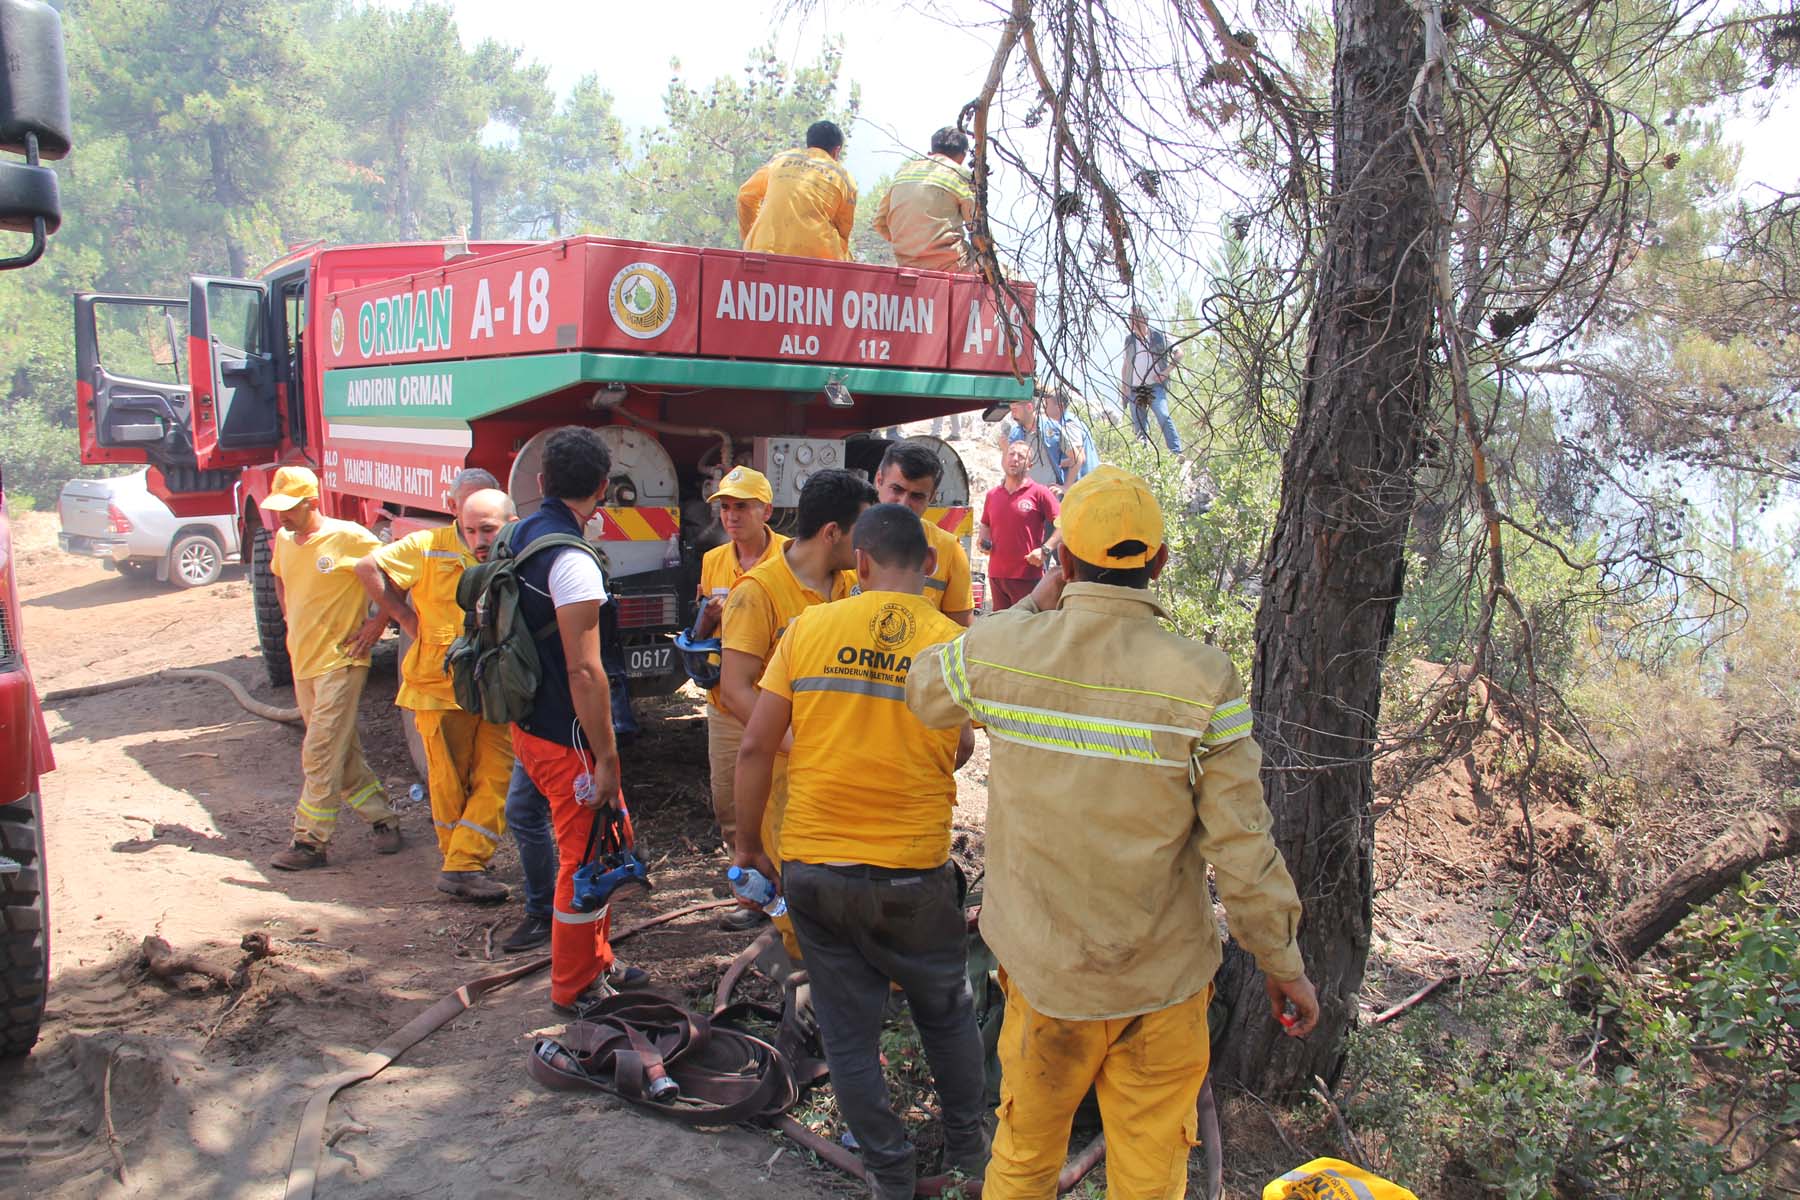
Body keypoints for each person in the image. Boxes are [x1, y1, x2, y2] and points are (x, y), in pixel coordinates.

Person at [906, 466, 1321, 1200]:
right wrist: (1281, 961)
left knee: (1025, 1162)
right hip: (1159, 987)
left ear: (1062, 562)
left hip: (1045, 981)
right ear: (1160, 563)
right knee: (1150, 1175)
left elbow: (924, 690)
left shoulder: (1006, 653)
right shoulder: (1205, 680)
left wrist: (1032, 606)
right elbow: (1243, 846)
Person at [734, 505, 986, 1199]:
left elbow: (756, 744)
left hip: (816, 868)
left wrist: (749, 843)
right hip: (912, 871)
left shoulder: (809, 628)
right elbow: (965, 745)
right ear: (930, 567)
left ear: (862, 563)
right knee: (946, 1012)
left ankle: (887, 1171)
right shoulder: (951, 644)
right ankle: (969, 1152)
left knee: (848, 1032)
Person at [505, 427, 647, 1013]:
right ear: (603, 489)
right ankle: (573, 988)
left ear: (541, 484)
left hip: (529, 724)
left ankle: (597, 961)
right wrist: (608, 759)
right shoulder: (572, 562)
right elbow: (586, 672)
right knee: (584, 859)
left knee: (609, 840)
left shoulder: (520, 537)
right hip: (568, 738)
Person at [718, 468, 876, 955]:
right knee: (795, 884)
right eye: (862, 532)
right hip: (787, 773)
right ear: (832, 533)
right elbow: (736, 688)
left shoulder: (852, 584)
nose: (869, 545)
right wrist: (796, 747)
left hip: (837, 770)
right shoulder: (757, 592)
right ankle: (804, 982)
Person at [356, 480, 515, 902]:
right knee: (449, 782)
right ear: (455, 511)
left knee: (499, 773)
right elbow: (366, 567)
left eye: (487, 527)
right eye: (470, 524)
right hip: (437, 687)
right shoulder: (428, 545)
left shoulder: (508, 550)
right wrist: (405, 620)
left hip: (493, 685)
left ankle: (464, 862)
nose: (478, 536)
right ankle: (462, 863)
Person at [261, 466, 403, 870]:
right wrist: (289, 616)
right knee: (339, 749)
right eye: (279, 509)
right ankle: (382, 818)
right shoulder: (285, 541)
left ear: (312, 502)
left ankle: (309, 842)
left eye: (290, 509)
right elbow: (280, 579)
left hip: (343, 659)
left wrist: (378, 623)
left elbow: (396, 575)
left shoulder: (351, 537)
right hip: (303, 661)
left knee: (320, 749)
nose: (282, 517)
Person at [693, 465, 788, 930]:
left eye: (742, 507)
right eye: (725, 507)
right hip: (728, 704)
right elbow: (699, 635)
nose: (731, 516)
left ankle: (790, 896)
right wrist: (707, 620)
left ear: (766, 510)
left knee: (781, 799)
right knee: (730, 801)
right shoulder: (713, 561)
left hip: (779, 701)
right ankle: (753, 896)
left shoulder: (791, 558)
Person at [874, 440, 974, 627]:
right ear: (879, 480)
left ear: (933, 496)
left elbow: (961, 633)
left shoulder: (949, 549)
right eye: (897, 490)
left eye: (917, 496)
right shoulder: (846, 540)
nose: (904, 503)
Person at [737, 120, 857, 261]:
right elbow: (843, 232)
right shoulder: (844, 178)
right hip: (816, 257)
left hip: (763, 249)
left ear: (809, 143)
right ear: (837, 151)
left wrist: (752, 237)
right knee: (848, 256)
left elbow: (745, 196)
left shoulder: (781, 160)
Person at [873, 126, 977, 272]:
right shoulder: (960, 174)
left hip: (906, 263)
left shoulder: (904, 171)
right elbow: (978, 229)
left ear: (931, 151)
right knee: (997, 270)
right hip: (950, 265)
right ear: (963, 156)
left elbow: (879, 222)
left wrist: (912, 246)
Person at [978, 442, 1060, 611]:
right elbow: (986, 523)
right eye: (1011, 454)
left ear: (1029, 465)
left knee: (1027, 628)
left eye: (1021, 456)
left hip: (1027, 576)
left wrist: (1045, 550)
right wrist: (983, 540)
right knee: (1002, 628)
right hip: (996, 576)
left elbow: (1064, 524)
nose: (1014, 459)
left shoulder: (1040, 492)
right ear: (1004, 459)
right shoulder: (992, 495)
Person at [1121, 306, 1183, 454]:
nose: (1132, 323)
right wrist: (1124, 387)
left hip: (1154, 386)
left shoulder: (1159, 336)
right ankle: (1144, 456)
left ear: (1145, 319)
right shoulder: (1130, 340)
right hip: (1138, 388)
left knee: (1163, 416)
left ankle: (1176, 452)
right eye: (1131, 319)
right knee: (1140, 425)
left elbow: (1179, 353)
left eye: (1135, 319)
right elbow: (1126, 364)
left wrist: (1166, 372)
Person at [995, 397, 1065, 491]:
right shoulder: (1015, 432)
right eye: (1011, 410)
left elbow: (1078, 458)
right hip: (1025, 495)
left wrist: (1066, 487)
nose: (1012, 415)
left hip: (1049, 494)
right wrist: (1005, 450)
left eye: (1015, 410)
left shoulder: (1052, 427)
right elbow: (1008, 466)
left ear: (1029, 407)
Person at [1042, 387, 1098, 485]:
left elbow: (1079, 457)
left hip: (1083, 485)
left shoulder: (1069, 424)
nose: (1044, 408)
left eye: (1047, 404)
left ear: (1059, 406)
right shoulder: (1066, 421)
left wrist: (1057, 463)